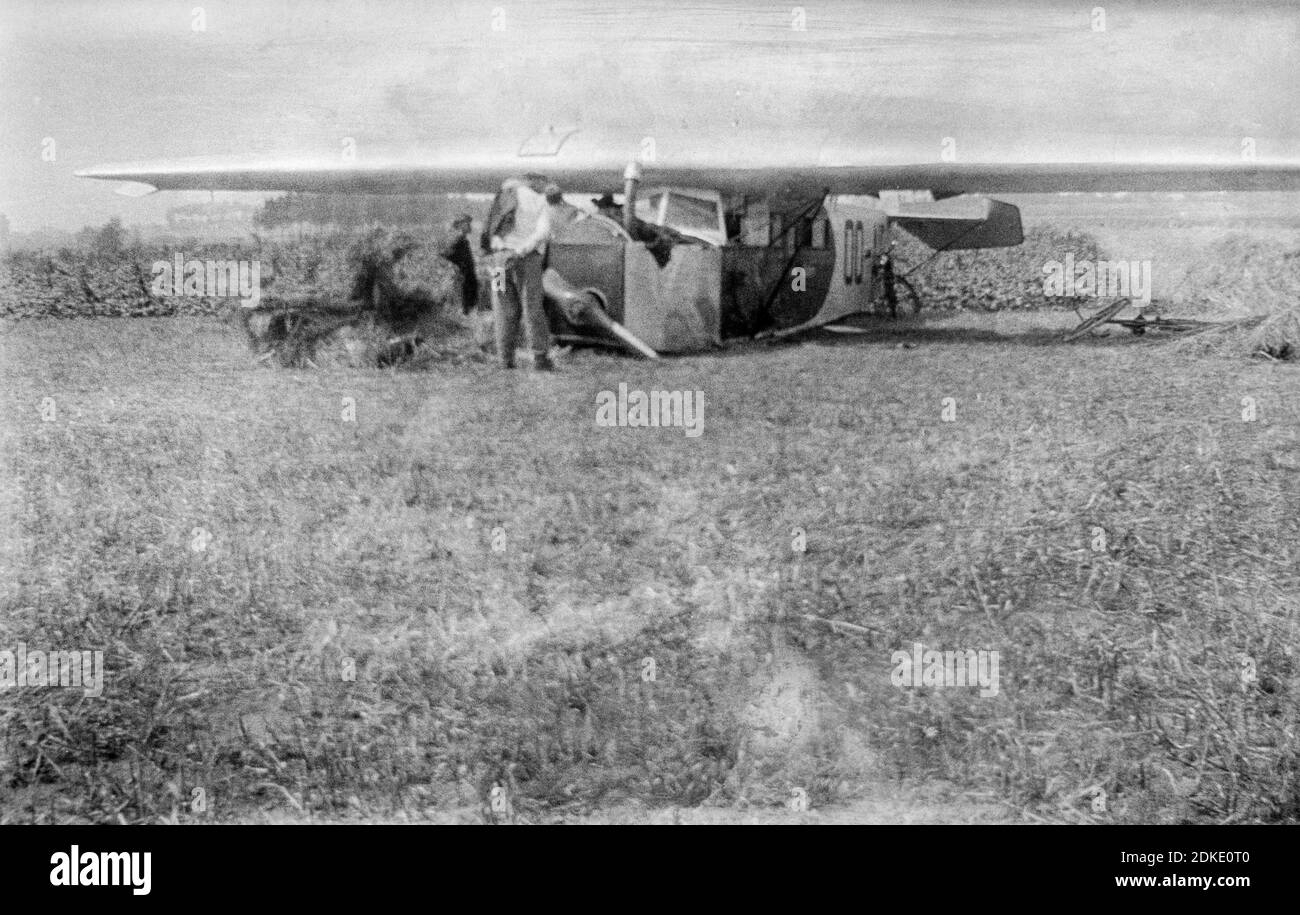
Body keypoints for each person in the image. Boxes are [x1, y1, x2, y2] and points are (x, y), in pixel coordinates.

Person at [487, 176, 558, 371]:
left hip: (499, 263)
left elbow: (491, 232)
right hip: (525, 262)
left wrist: (502, 251)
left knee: (501, 308)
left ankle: (505, 359)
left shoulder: (502, 198)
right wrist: (521, 250)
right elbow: (543, 232)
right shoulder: (538, 199)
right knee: (532, 307)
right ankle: (540, 359)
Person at [442, 214, 480, 316]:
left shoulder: (462, 240)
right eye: (467, 224)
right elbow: (446, 255)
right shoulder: (457, 240)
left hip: (468, 277)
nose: (470, 226)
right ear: (460, 225)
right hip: (463, 277)